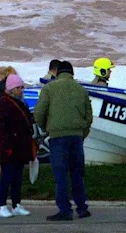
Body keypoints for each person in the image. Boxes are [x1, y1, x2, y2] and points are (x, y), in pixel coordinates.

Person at [34, 60, 92, 221]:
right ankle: (82, 208)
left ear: (58, 73)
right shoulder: (81, 89)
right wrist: (82, 133)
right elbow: (89, 116)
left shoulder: (49, 88)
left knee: (60, 175)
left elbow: (39, 112)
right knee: (77, 174)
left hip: (57, 137)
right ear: (72, 73)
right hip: (76, 137)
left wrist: (47, 127)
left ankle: (65, 210)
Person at [0, 74, 34, 218]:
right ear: (11, 89)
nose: (21, 90)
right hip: (9, 149)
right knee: (6, 178)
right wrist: (7, 148)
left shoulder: (19, 104)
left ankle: (16, 204)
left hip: (20, 148)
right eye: (18, 88)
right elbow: (2, 129)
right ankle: (2, 206)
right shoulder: (4, 104)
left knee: (17, 178)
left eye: (22, 87)